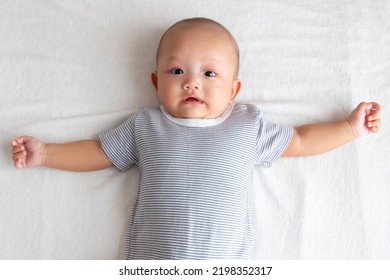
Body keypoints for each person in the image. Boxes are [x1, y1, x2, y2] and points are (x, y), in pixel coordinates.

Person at [11, 17, 381, 259]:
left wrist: (349, 128)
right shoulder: (145, 126)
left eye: (209, 73)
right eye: (176, 70)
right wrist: (46, 153)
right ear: (156, 82)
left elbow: (300, 140)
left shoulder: (246, 126)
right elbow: (98, 152)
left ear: (234, 89)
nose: (192, 82)